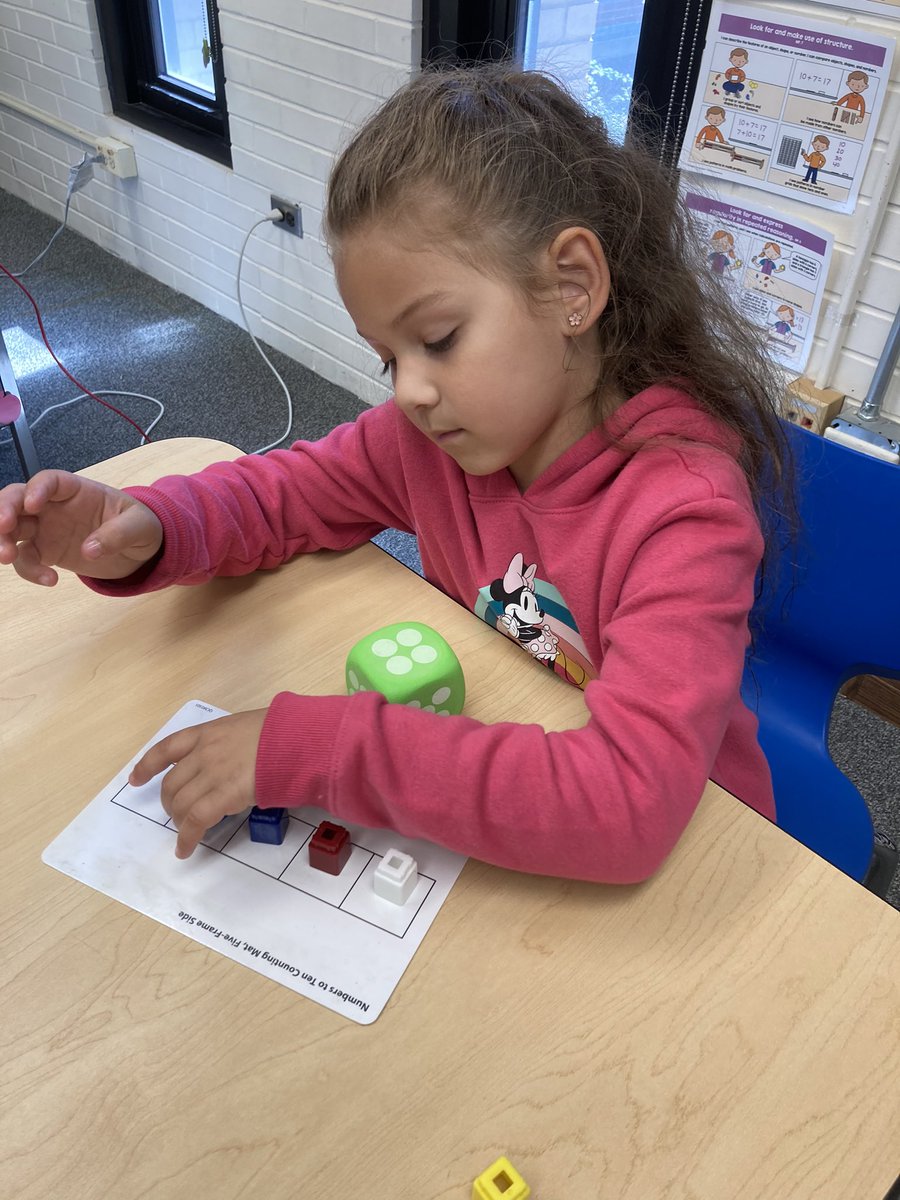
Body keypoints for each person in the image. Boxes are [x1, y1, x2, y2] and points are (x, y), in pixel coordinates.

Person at [0, 65, 791, 884]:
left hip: (699, 852)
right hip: (512, 753)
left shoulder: (684, 511)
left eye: (440, 337)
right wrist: (152, 527)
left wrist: (320, 747)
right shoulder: (430, 441)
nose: (410, 390)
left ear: (571, 287)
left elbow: (625, 803)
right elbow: (284, 494)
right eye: (389, 358)